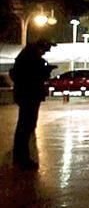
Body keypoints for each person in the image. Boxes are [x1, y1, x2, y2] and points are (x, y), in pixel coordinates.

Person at [9, 39, 57, 170]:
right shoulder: (31, 58)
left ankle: (20, 157)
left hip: (27, 95)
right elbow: (33, 75)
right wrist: (45, 71)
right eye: (46, 49)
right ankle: (22, 158)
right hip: (29, 95)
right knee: (26, 125)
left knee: (26, 125)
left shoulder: (27, 56)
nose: (47, 52)